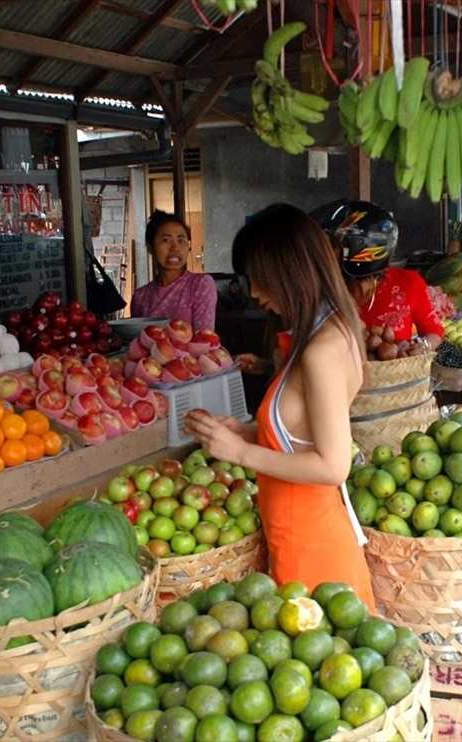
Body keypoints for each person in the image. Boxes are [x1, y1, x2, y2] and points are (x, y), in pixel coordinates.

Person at [185, 203, 374, 605]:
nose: (254, 292)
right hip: (299, 534)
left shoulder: (322, 350)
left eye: (259, 279)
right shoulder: (332, 329)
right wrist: (247, 433)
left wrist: (240, 452)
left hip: (313, 547)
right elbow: (304, 434)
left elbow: (332, 466)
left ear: (290, 270)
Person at [312, 200, 443, 348]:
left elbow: (434, 331)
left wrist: (421, 348)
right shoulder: (320, 289)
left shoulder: (409, 282)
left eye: (331, 247)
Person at [130, 211, 217, 329]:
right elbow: (137, 337)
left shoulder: (200, 285)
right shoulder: (140, 297)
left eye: (181, 240)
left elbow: (204, 337)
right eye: (166, 240)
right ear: (150, 247)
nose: (175, 248)